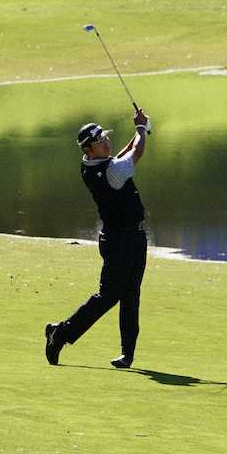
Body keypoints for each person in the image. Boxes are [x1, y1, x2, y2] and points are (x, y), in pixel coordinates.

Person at [45, 106, 151, 369]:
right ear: (88, 149)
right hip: (120, 241)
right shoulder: (110, 172)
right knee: (108, 296)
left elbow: (122, 155)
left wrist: (141, 131)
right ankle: (60, 334)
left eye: (105, 137)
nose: (106, 142)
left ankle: (127, 354)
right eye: (100, 141)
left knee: (131, 294)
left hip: (134, 238)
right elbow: (135, 153)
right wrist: (140, 129)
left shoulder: (94, 164)